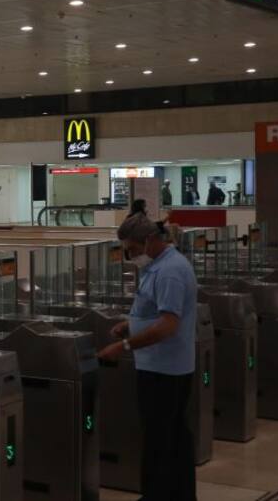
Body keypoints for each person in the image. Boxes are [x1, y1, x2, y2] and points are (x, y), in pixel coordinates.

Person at [97, 214, 197, 501]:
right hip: (164, 366)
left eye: (132, 249)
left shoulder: (169, 272)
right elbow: (156, 311)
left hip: (164, 371)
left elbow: (168, 325)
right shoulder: (160, 266)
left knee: (159, 441)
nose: (131, 256)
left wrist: (124, 346)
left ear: (150, 240)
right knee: (173, 438)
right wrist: (131, 324)